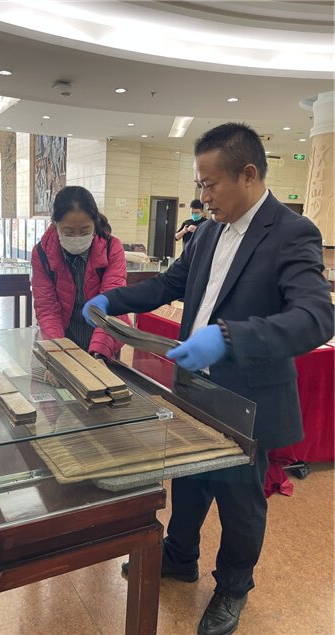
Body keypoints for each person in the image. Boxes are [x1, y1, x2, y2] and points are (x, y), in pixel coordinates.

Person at [83, 123, 333, 635]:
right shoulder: (208, 232)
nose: (203, 196)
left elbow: (316, 317)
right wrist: (112, 300)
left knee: (240, 500)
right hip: (195, 387)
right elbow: (169, 284)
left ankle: (232, 588)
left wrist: (230, 337)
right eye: (199, 184)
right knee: (190, 480)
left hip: (248, 398)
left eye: (211, 184)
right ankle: (180, 556)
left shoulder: (292, 233)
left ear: (248, 174)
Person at [31, 185, 131, 362]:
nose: (77, 238)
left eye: (84, 231)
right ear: (55, 224)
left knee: (100, 377)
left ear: (95, 223)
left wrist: (99, 354)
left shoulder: (111, 248)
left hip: (103, 337)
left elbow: (112, 305)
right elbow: (47, 308)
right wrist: (58, 354)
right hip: (61, 336)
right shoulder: (42, 253)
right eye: (68, 232)